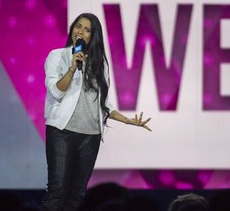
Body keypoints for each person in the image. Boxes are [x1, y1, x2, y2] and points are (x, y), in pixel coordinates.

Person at [41, 13, 151, 210]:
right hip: (62, 132)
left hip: (90, 136)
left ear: (93, 36)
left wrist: (127, 120)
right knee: (57, 190)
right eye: (78, 27)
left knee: (77, 193)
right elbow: (56, 91)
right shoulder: (57, 56)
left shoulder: (100, 63)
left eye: (86, 29)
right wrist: (72, 68)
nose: (80, 32)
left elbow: (103, 103)